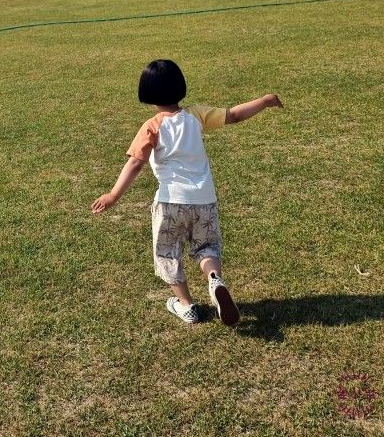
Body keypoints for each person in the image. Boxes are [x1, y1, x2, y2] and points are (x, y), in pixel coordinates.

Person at [92, 59, 283, 327]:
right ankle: (214, 279)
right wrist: (263, 101)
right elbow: (235, 115)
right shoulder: (196, 115)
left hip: (170, 202)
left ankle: (186, 306)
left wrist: (113, 195)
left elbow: (136, 162)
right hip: (204, 199)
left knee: (168, 253)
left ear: (146, 92)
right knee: (206, 247)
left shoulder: (152, 126)